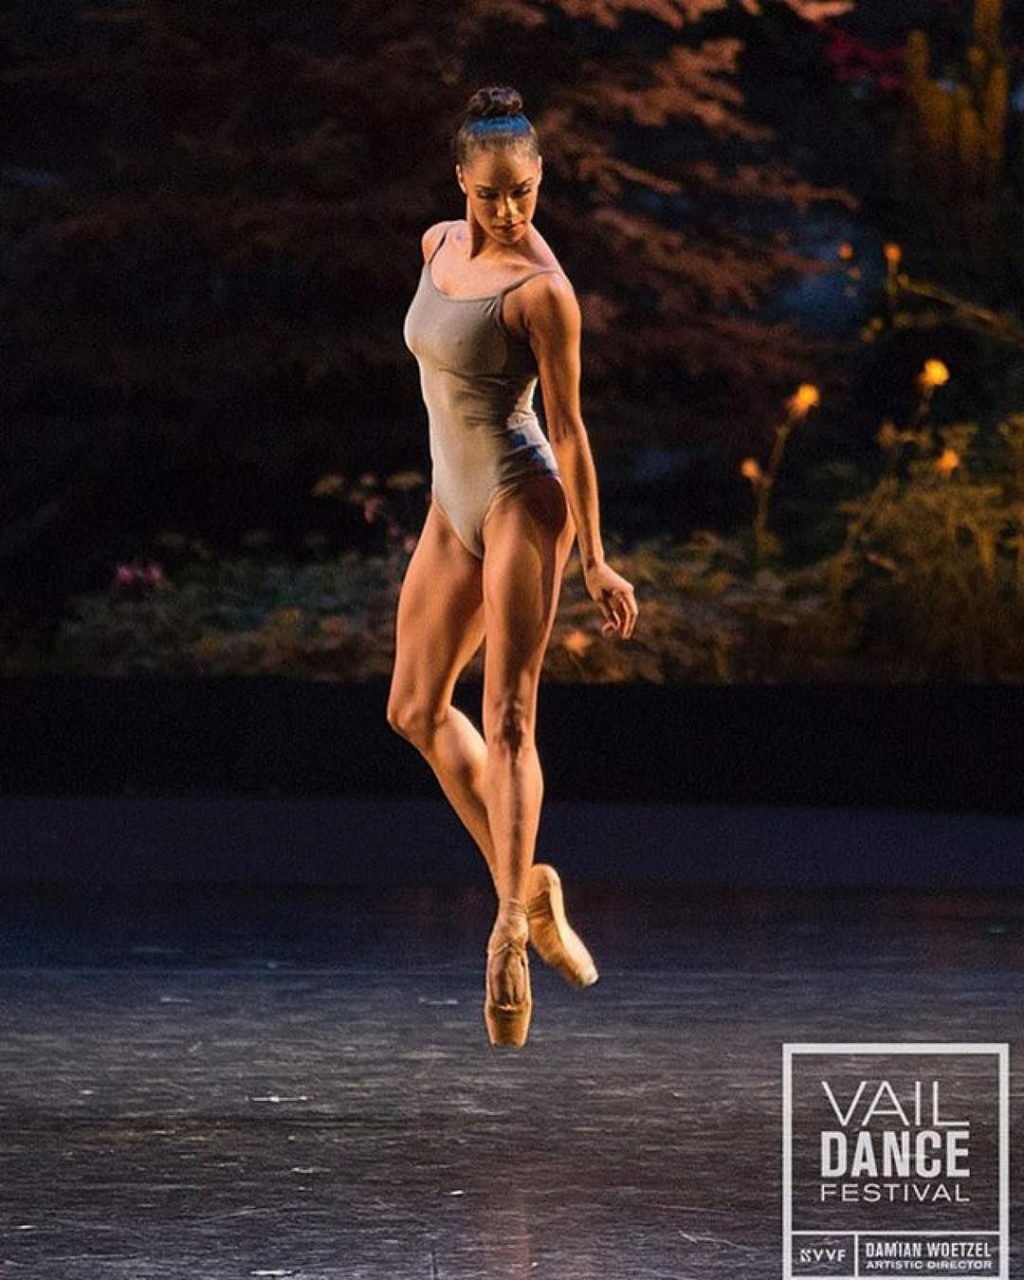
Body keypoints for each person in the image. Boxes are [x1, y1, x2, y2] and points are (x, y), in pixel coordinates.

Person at [388, 83, 638, 1049]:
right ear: (460, 179)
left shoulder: (543, 291)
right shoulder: (435, 246)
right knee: (414, 709)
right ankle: (529, 885)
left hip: (521, 501)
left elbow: (570, 432)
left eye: (523, 193)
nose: (507, 211)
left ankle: (505, 938)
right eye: (490, 193)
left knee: (508, 716)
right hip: (450, 503)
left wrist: (598, 561)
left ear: (540, 181)